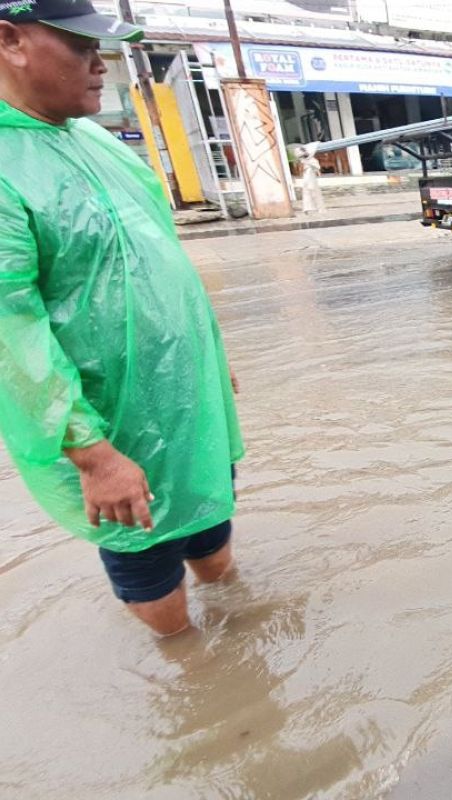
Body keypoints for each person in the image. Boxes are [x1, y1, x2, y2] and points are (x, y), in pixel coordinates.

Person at [0, 1, 244, 635]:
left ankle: (242, 651)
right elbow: (11, 332)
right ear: (10, 41)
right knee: (154, 576)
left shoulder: (99, 141)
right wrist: (93, 454)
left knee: (216, 543)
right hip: (109, 426)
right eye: (81, 47)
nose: (99, 65)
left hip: (188, 408)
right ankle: (197, 687)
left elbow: (161, 257)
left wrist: (212, 359)